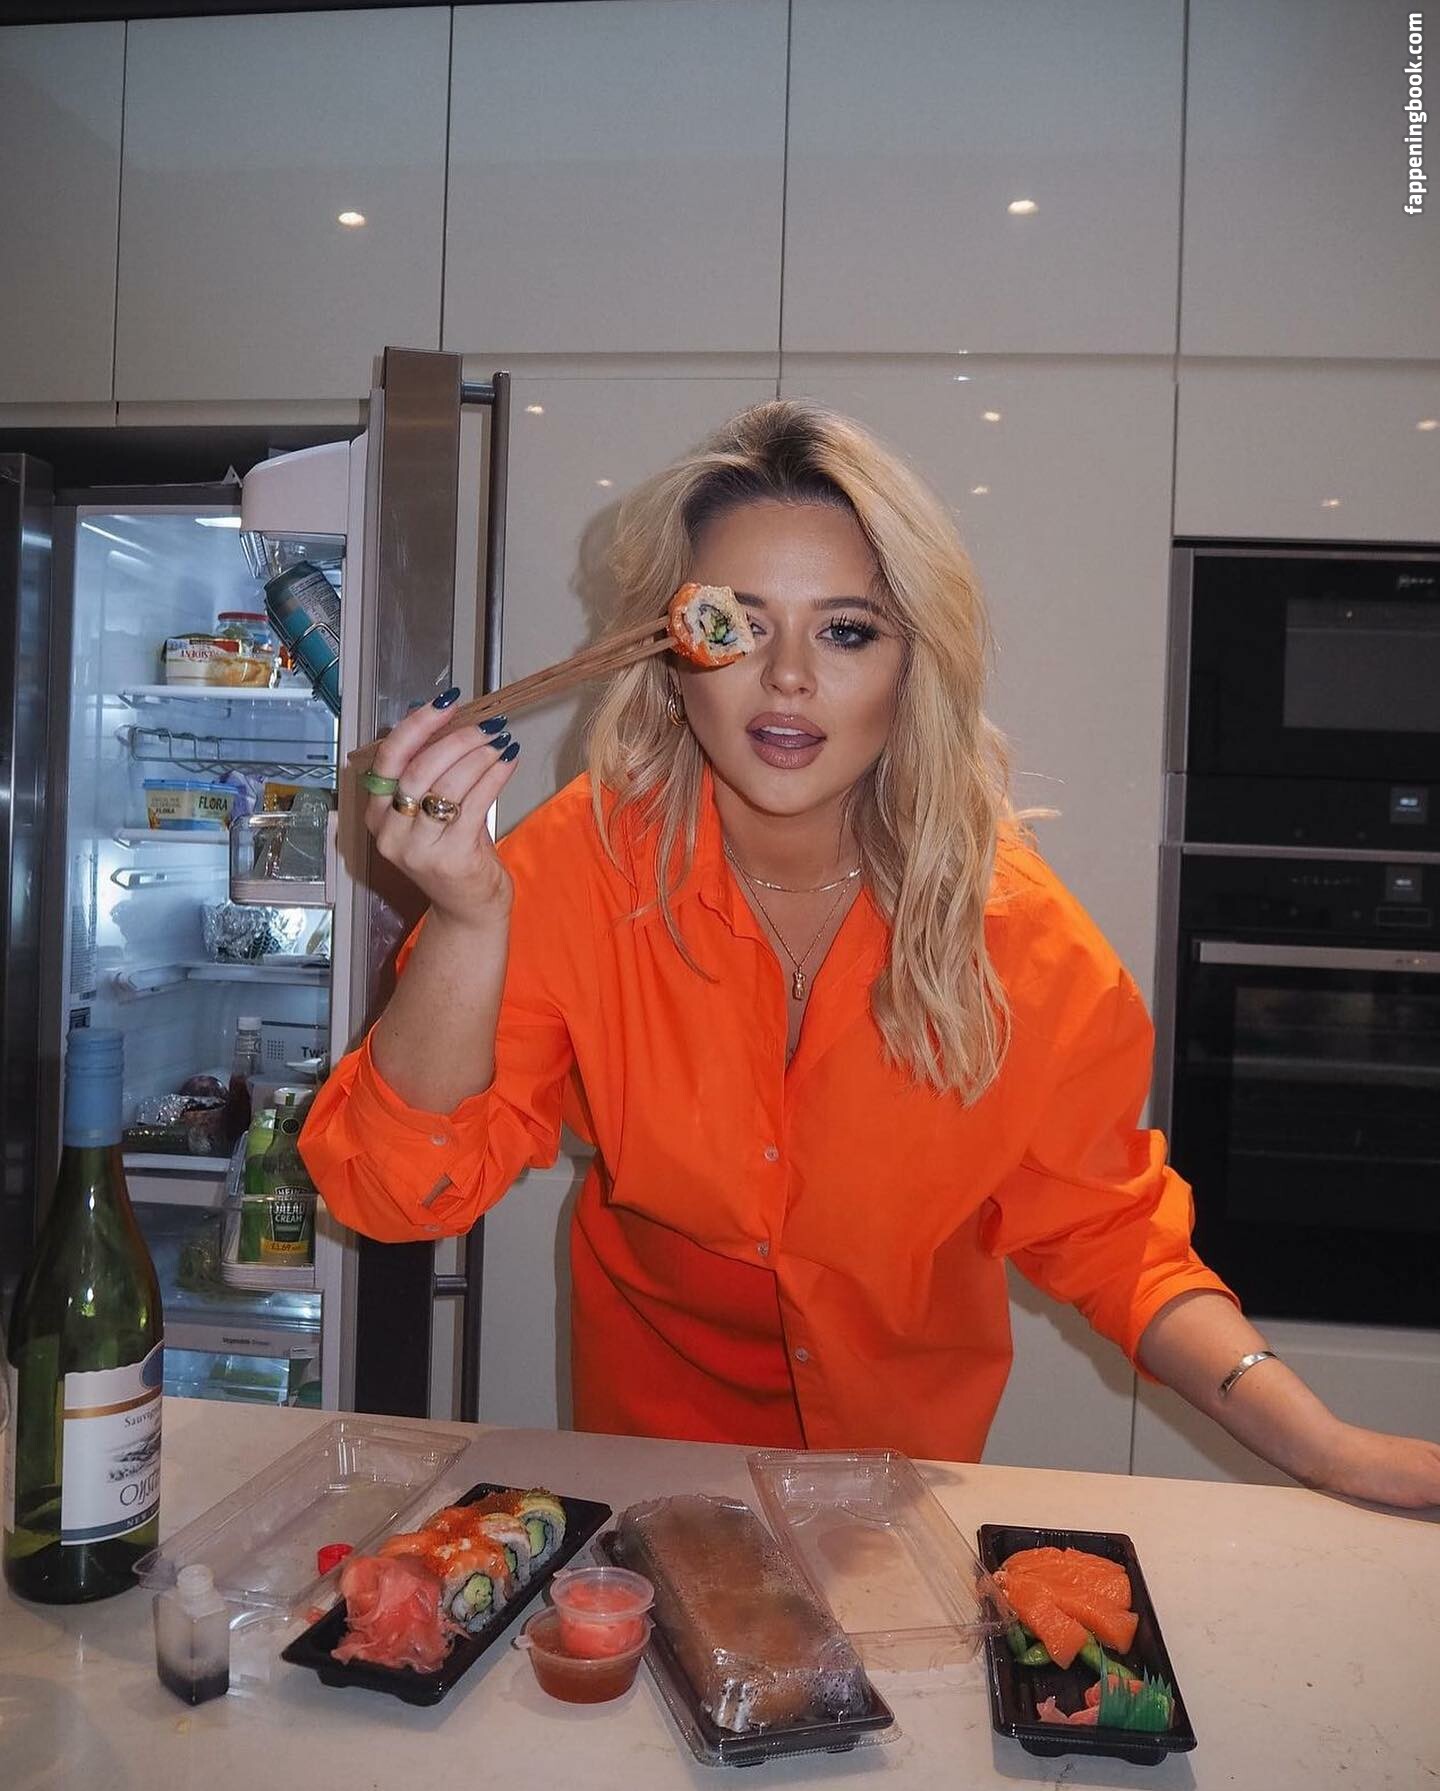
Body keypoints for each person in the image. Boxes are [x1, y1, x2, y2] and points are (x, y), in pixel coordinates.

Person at [301, 401, 1440, 1508]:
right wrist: (466, 921)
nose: (789, 678)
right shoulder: (579, 871)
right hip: (649, 1478)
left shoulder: (1014, 932)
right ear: (672, 656)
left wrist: (1328, 1449)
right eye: (740, 626)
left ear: (914, 665)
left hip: (890, 1490)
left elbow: (1113, 1235)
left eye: (847, 631)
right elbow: (395, 1195)